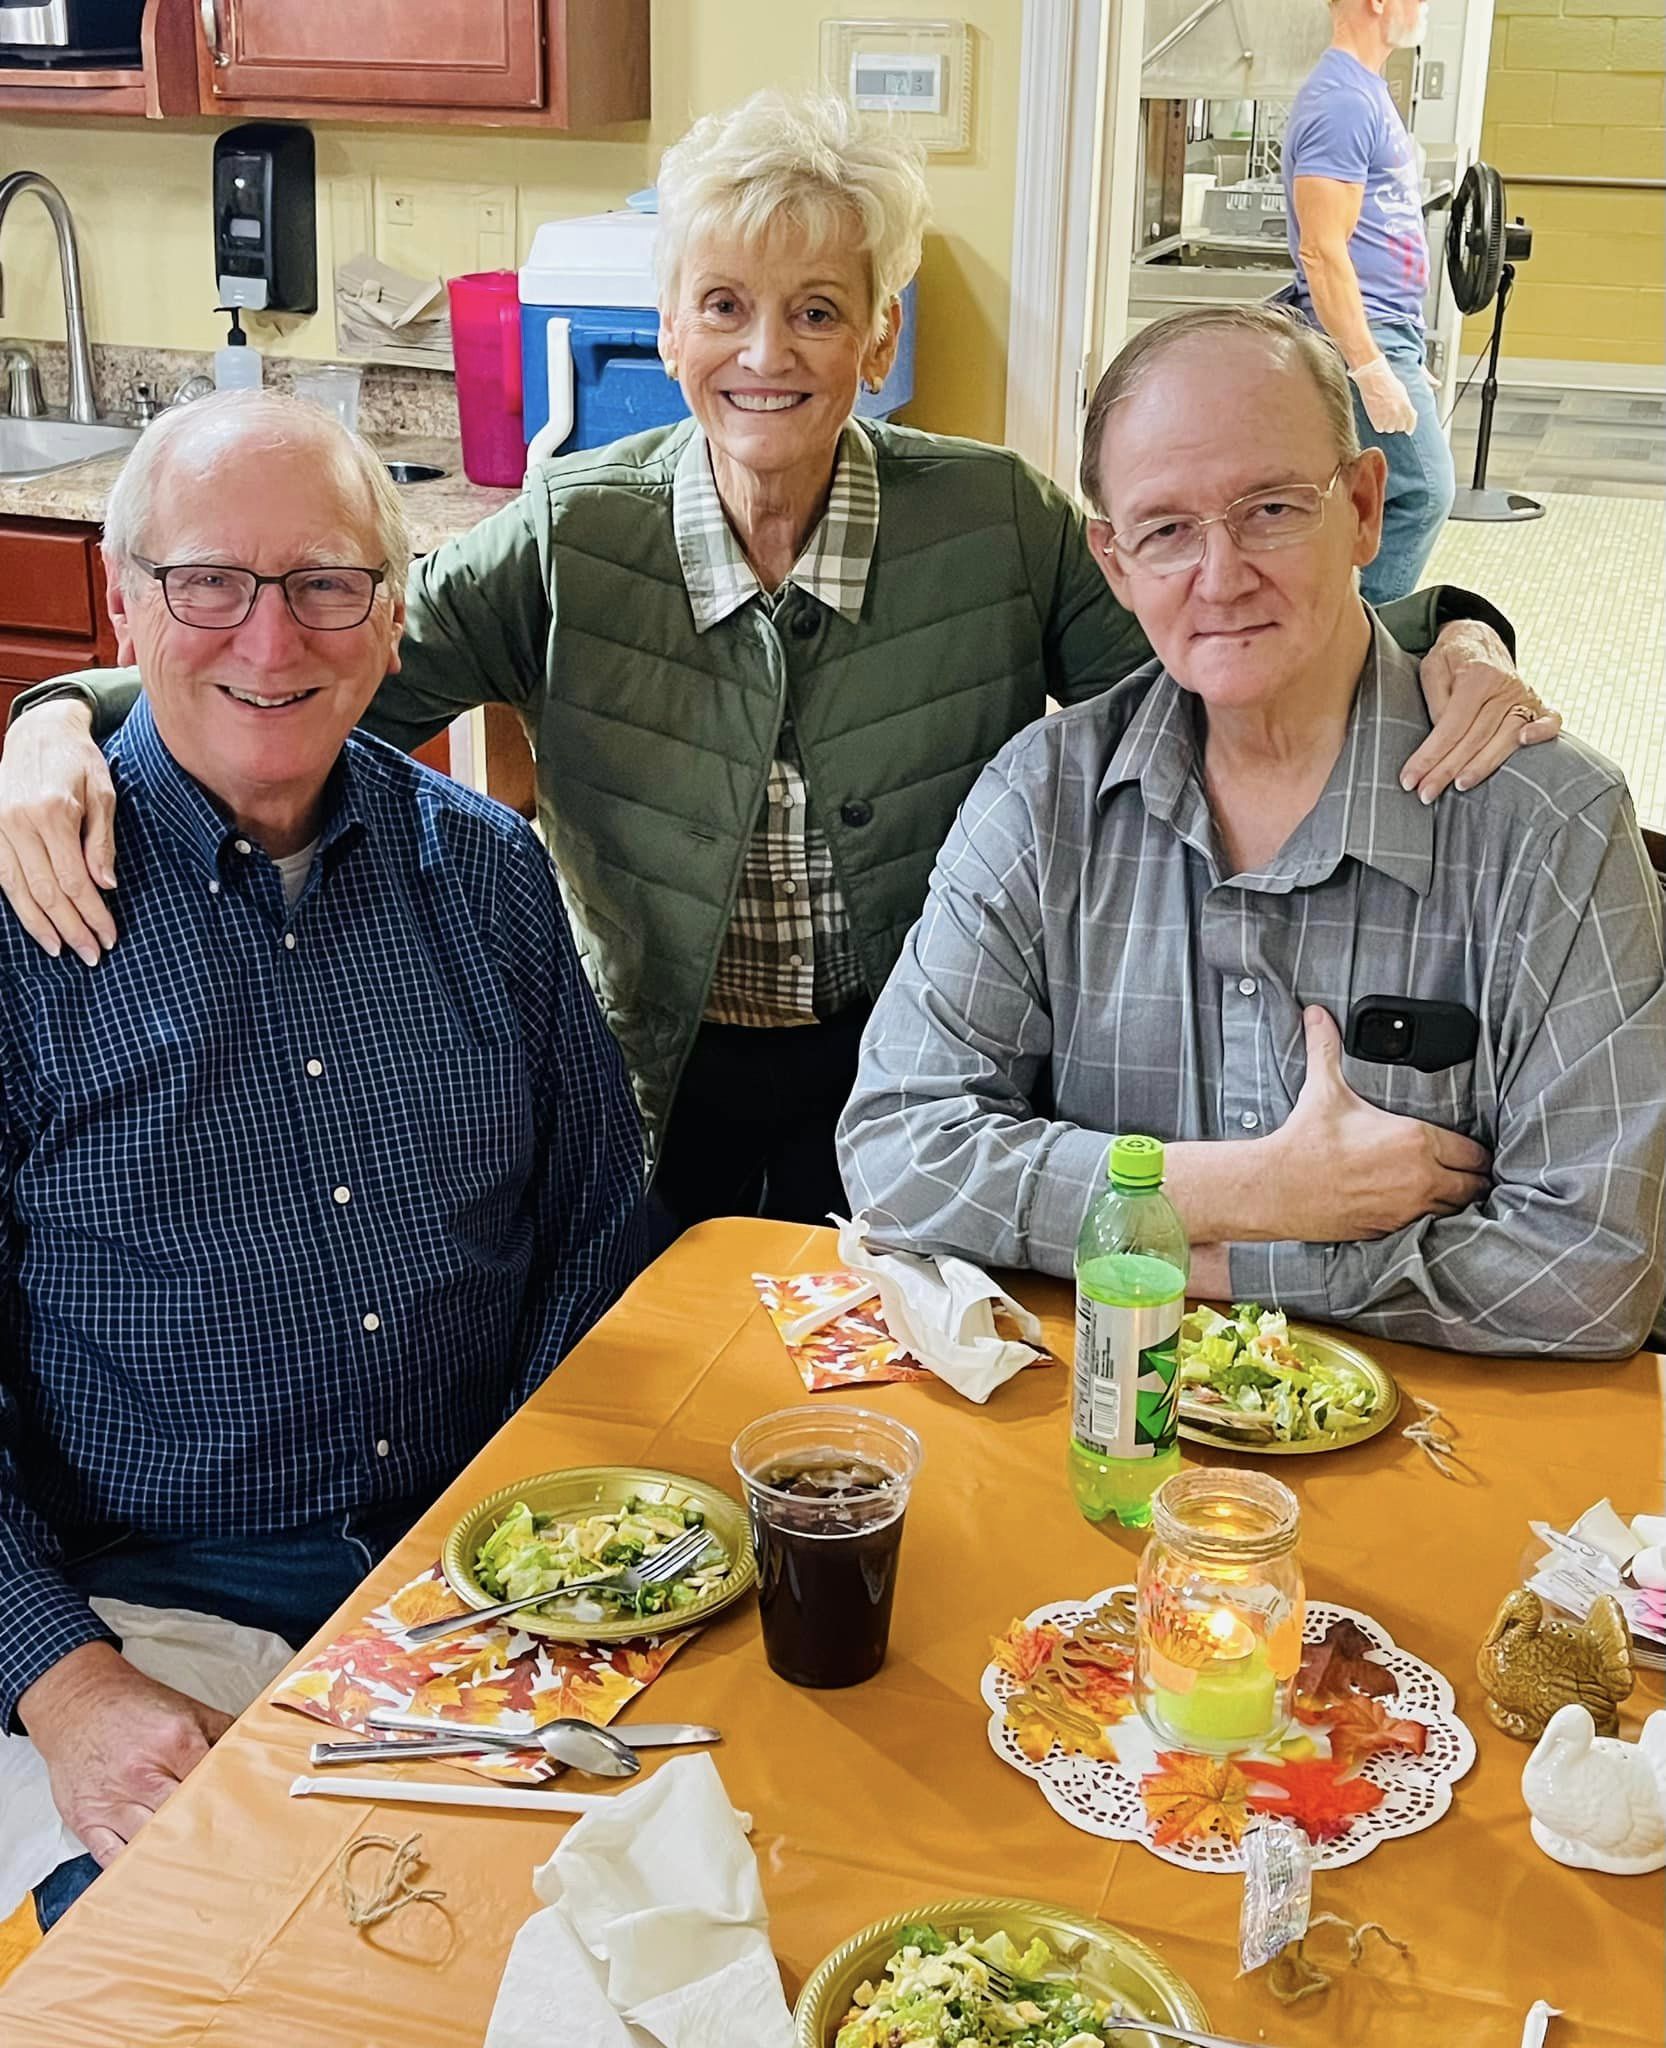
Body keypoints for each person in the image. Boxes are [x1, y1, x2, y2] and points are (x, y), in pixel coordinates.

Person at [0, 95, 1552, 1237]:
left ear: (879, 336)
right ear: (668, 325)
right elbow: (313, 667)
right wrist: (60, 712)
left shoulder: (994, 520)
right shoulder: (572, 534)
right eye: (726, 305)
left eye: (818, 311)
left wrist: (1456, 626)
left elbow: (1204, 641)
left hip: (936, 1075)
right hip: (643, 1082)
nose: (768, 352)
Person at [1, 392, 645, 1927]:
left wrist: (519, 1524)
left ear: (391, 606)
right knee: (184, 1978)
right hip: (153, 1601)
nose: (270, 640)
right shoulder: (23, 920)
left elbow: (597, 1219)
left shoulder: (485, 873)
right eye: (209, 583)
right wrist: (63, 1680)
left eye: (324, 585)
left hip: (480, 1567)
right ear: (125, 603)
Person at [838, 307, 1665, 1358]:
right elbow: (897, 1149)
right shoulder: (1041, 798)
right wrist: (1250, 1188)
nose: (1219, 575)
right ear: (1114, 560)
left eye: (1269, 508)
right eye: (1166, 529)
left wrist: (1227, 1263)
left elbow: (1594, 1269)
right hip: (1106, 1450)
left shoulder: (1549, 826)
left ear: (1363, 507)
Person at [1283, 0, 1455, 602]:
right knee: (1425, 489)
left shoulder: (1365, 91)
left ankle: (1347, 648)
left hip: (1385, 326)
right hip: (1366, 330)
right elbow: (1321, 251)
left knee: (1367, 493)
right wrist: (1370, 362)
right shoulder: (1343, 101)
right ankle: (1365, 653)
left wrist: (1395, 347)